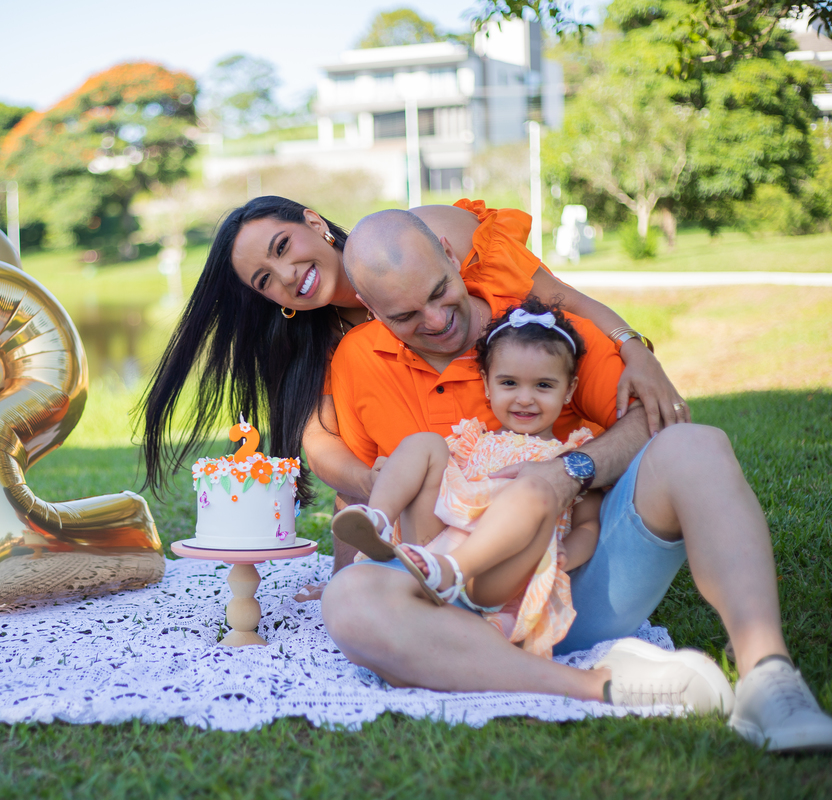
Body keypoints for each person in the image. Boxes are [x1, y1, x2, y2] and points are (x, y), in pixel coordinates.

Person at [320, 208, 832, 752]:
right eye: (404, 315)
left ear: (451, 254)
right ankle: (601, 686)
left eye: (440, 291)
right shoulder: (358, 359)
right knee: (347, 600)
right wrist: (340, 565)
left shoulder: (537, 328)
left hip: (574, 583)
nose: (436, 319)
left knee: (695, 445)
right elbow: (362, 489)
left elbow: (650, 415)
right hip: (452, 597)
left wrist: (571, 472)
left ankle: (768, 678)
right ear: (371, 310)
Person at [138, 196, 687, 573]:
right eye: (266, 280)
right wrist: (356, 528)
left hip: (536, 436)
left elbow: (556, 298)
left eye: (282, 247)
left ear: (313, 222)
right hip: (445, 495)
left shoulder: (425, 235)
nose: (286, 276)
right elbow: (326, 445)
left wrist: (632, 345)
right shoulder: (329, 343)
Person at [331, 298, 602, 658]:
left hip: (491, 576)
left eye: (543, 386)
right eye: (509, 383)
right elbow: (434, 481)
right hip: (432, 546)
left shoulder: (572, 456)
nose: (525, 399)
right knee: (424, 443)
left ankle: (454, 569)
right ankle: (377, 519)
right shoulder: (474, 441)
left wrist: (571, 551)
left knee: (536, 488)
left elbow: (588, 525)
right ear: (487, 387)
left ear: (568, 390)